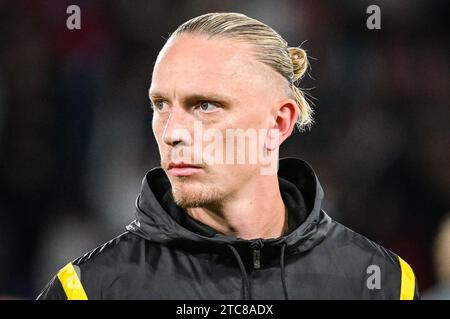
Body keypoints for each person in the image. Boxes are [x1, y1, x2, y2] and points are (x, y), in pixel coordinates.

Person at [37, 12, 419, 300]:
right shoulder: (89, 290)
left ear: (279, 122)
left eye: (205, 105)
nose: (172, 133)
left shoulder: (382, 284)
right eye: (161, 105)